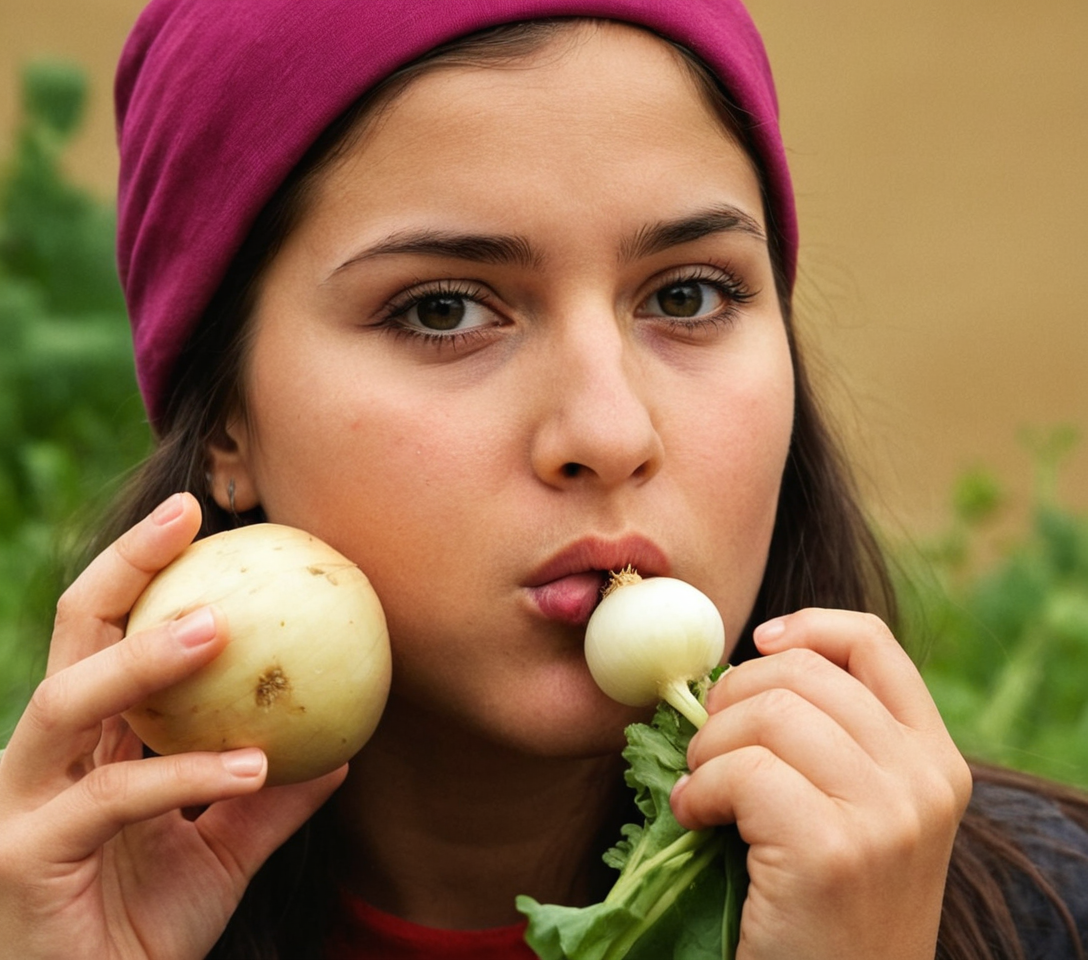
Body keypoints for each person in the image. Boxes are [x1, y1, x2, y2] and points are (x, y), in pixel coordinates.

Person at [0, 0, 1085, 958]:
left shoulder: (1053, 913)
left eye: (688, 296)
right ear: (225, 413)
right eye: (444, 310)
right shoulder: (51, 923)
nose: (609, 434)